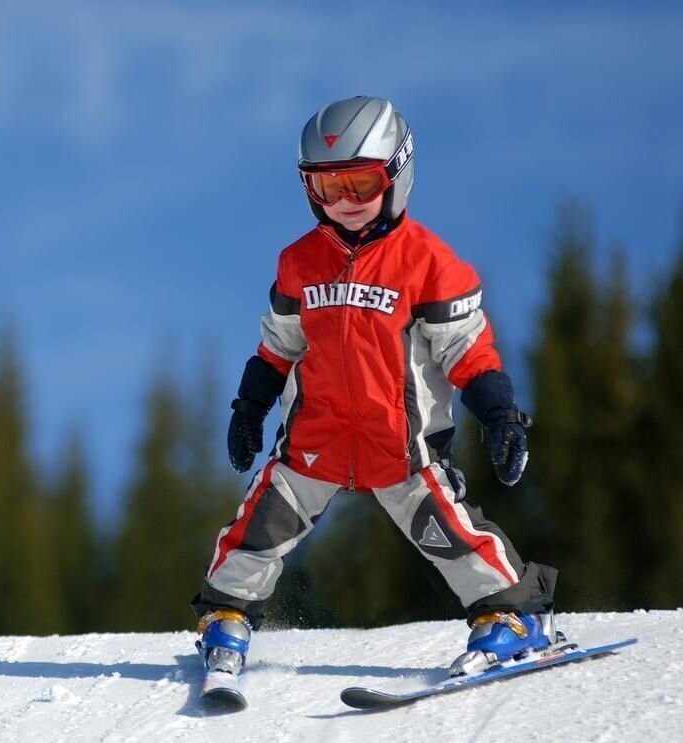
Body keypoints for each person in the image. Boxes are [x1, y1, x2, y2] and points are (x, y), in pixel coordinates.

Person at [192, 96, 559, 682]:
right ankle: (226, 615)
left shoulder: (429, 264)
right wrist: (249, 407)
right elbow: (278, 347)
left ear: (397, 173)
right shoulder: (298, 263)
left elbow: (468, 350)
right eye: (325, 187)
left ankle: (513, 620)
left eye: (360, 184)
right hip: (315, 438)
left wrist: (501, 415)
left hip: (402, 447)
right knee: (259, 528)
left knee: (452, 532)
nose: (343, 203)